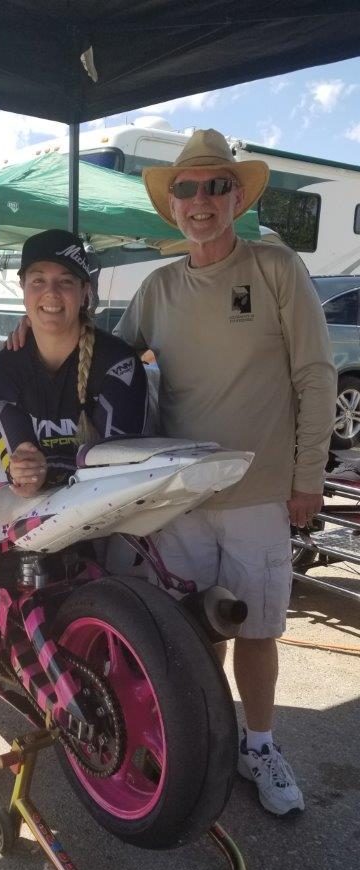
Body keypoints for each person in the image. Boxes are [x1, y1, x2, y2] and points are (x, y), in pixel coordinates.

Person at [116, 128, 337, 815]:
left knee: (259, 629)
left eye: (216, 185)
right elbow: (107, 366)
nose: (201, 199)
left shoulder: (275, 268)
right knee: (193, 630)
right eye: (187, 187)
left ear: (237, 197)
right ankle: (211, 735)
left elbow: (315, 374)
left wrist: (307, 478)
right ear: (172, 205)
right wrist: (33, 344)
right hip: (180, 497)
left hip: (260, 493)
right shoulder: (157, 288)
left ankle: (261, 744)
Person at [0, 229, 149, 496]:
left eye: (65, 282)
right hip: (41, 526)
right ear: (22, 287)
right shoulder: (3, 370)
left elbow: (116, 471)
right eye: (38, 281)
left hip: (111, 522)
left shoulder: (119, 364)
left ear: (85, 291)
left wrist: (45, 469)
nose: (51, 292)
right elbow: (21, 479)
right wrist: (27, 474)